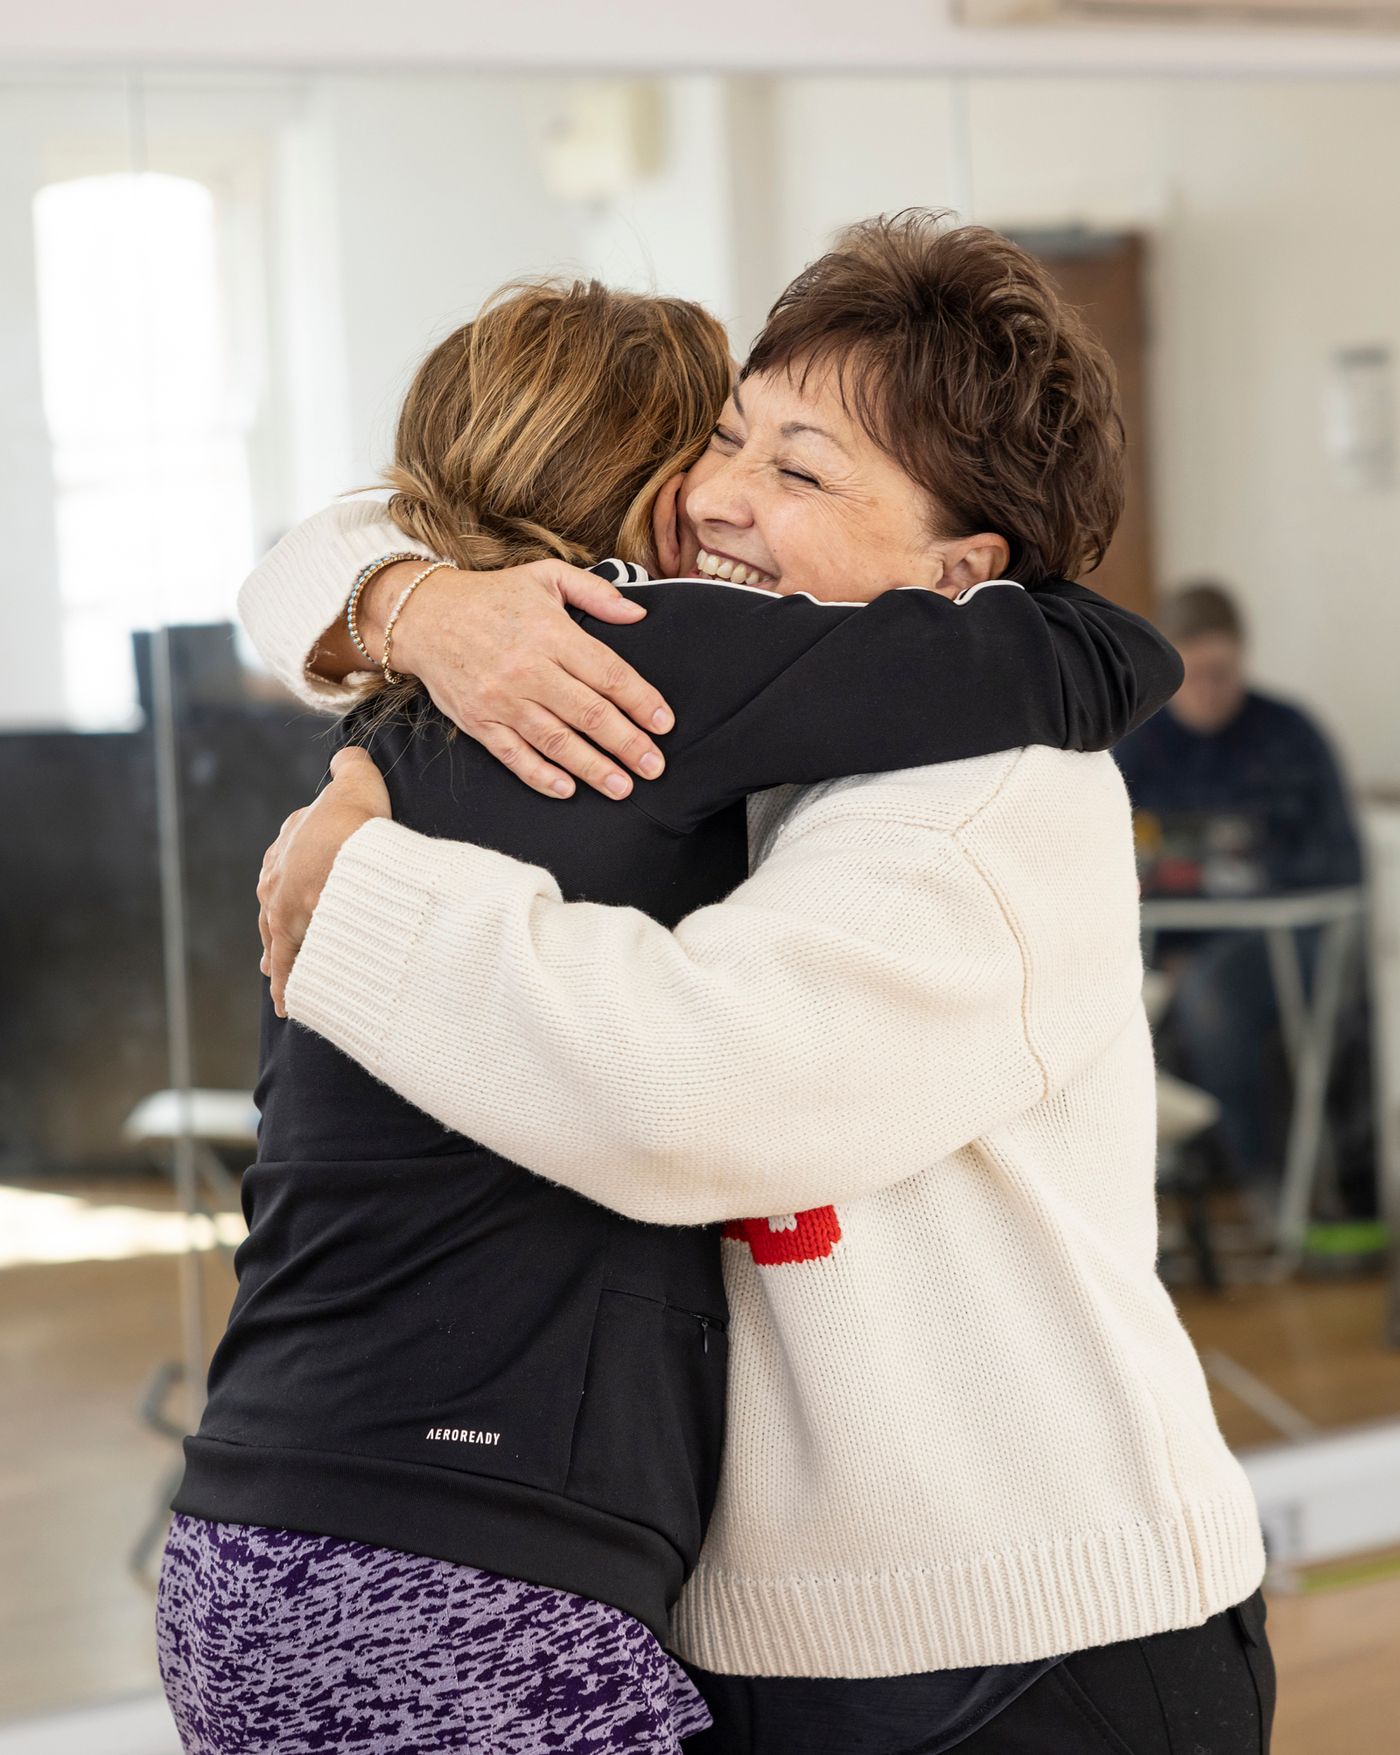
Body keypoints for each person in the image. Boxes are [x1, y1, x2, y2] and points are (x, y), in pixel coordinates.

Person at [253, 215, 1272, 1754]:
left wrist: (362, 892)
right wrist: (420, 604)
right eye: (726, 436)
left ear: (963, 573)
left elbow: (692, 1092)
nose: (714, 497)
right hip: (774, 1637)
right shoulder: (729, 726)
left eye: (799, 472)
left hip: (1030, 1640)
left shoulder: (995, 783)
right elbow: (311, 550)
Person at [1118, 581, 1365, 1193]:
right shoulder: (1137, 750)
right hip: (1167, 947)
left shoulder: (1291, 735)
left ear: (1243, 659)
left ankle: (1263, 1179)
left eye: (1222, 672)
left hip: (1288, 942)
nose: (1208, 691)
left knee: (1211, 994)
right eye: (1192, 674)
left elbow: (1341, 861)